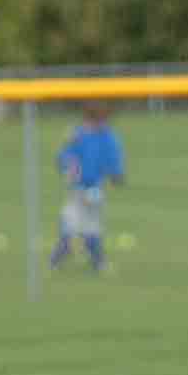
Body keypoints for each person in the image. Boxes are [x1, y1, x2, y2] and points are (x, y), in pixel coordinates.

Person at [50, 105, 125, 272]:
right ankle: (86, 258)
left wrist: (115, 173)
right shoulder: (82, 135)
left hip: (91, 188)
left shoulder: (102, 136)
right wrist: (67, 164)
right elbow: (65, 156)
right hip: (80, 188)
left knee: (85, 223)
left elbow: (112, 159)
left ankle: (93, 259)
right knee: (75, 221)